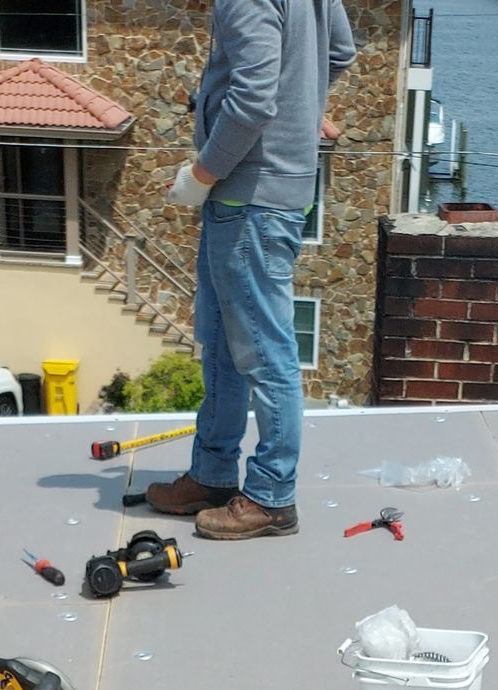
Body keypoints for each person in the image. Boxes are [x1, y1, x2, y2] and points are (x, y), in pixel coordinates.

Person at [145, 0, 356, 540]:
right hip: (264, 193)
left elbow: (255, 101)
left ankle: (271, 495)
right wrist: (302, 111)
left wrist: (202, 171)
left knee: (264, 351)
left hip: (251, 197)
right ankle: (213, 476)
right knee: (222, 342)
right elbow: (338, 51)